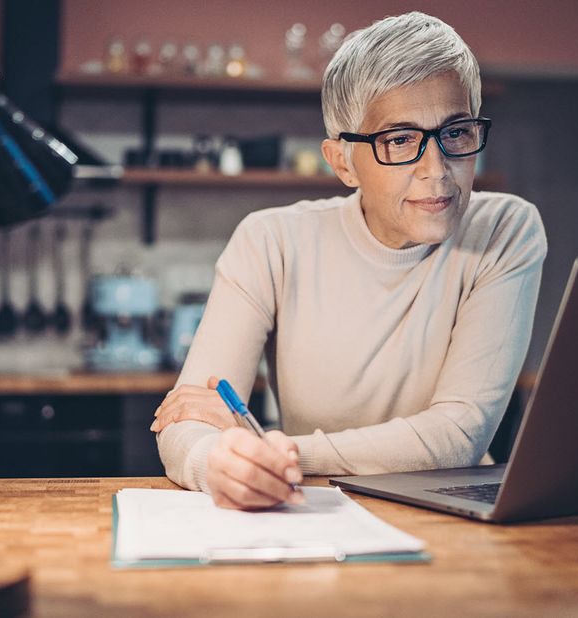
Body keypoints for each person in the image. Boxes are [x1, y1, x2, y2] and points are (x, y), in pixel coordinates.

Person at [150, 12, 547, 510]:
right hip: (308, 513)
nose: (437, 169)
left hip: (452, 517)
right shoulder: (270, 240)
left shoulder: (505, 230)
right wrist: (218, 463)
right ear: (342, 162)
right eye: (399, 140)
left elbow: (458, 434)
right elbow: (187, 420)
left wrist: (286, 452)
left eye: (457, 132)